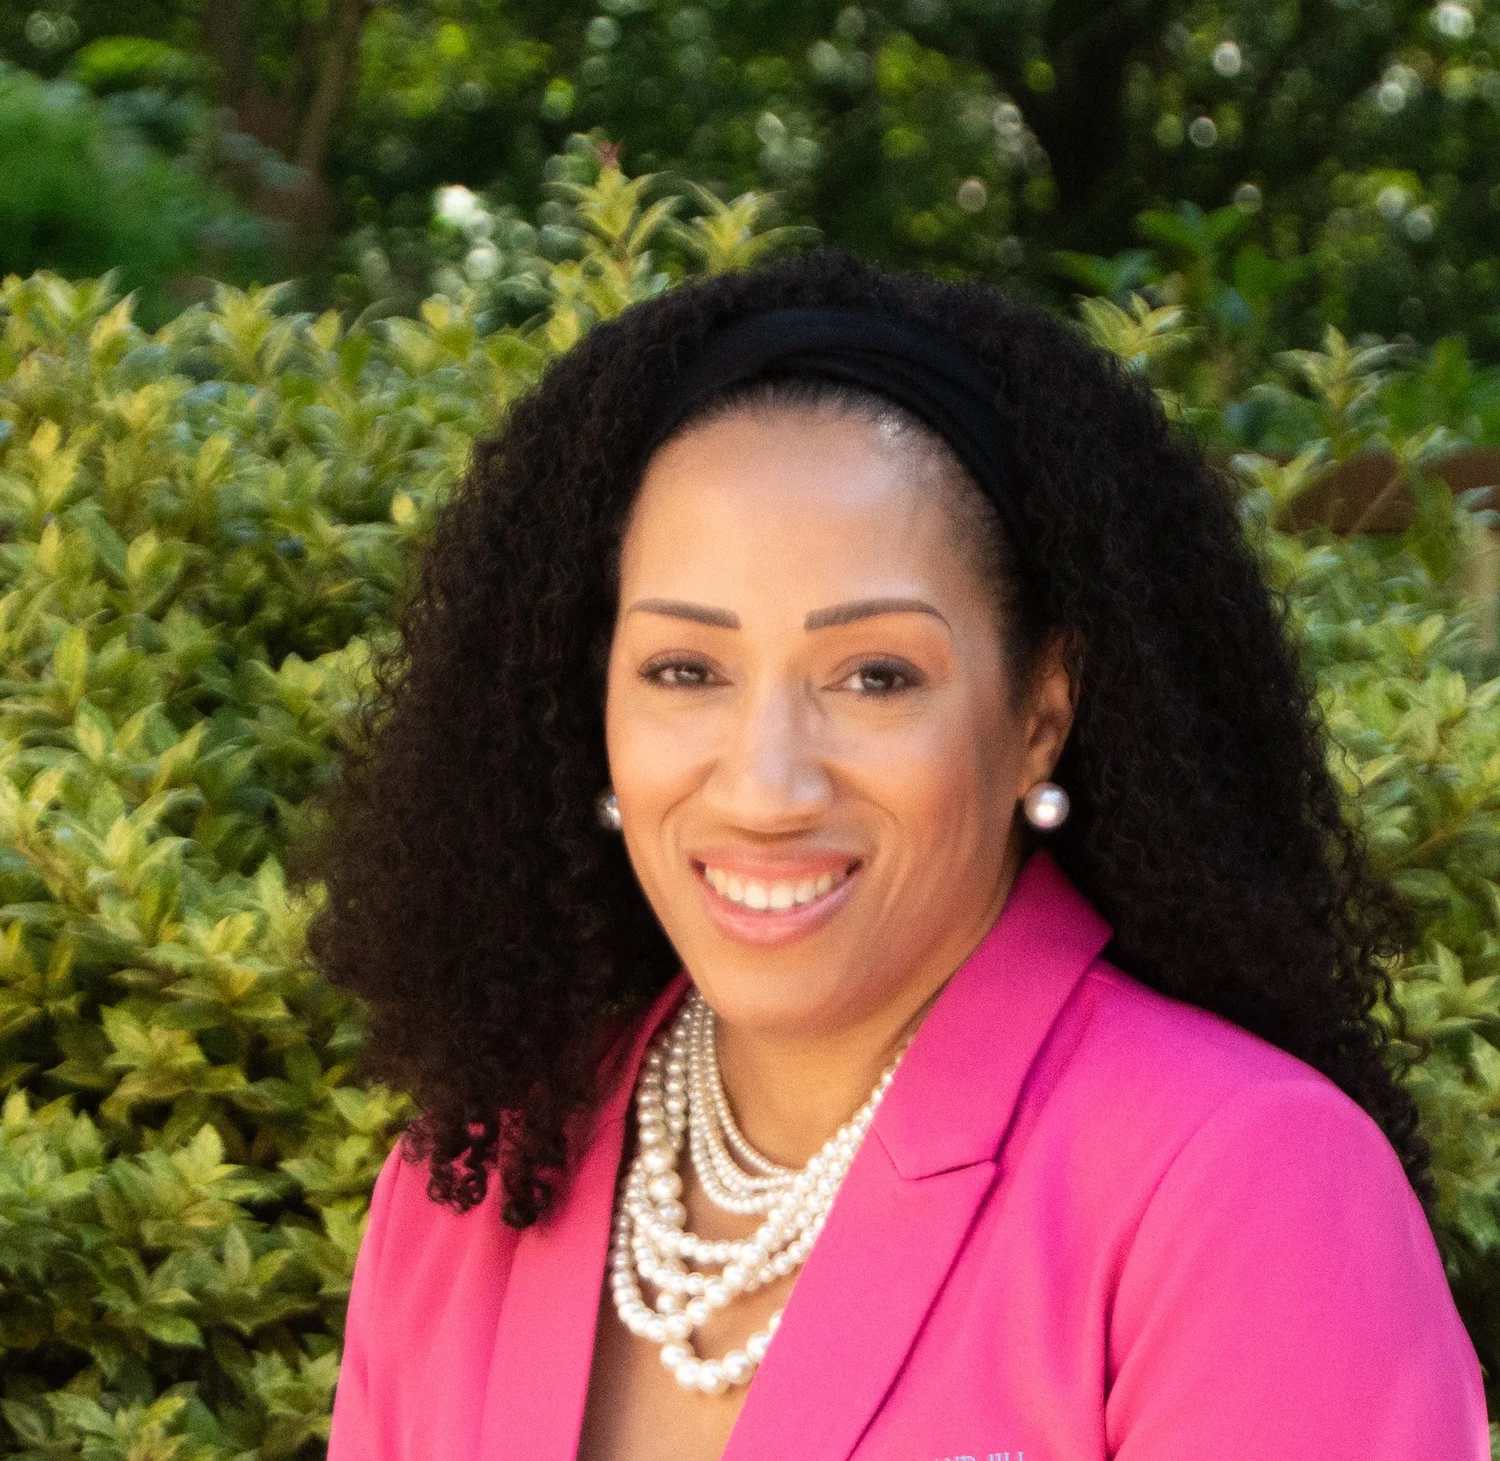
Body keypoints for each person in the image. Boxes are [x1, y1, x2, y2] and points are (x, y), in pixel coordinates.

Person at [309, 247, 1488, 1461]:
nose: (767, 785)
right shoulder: (473, 1184)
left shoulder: (1244, 1191)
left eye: (877, 676)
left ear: (1041, 712)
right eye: (685, 671)